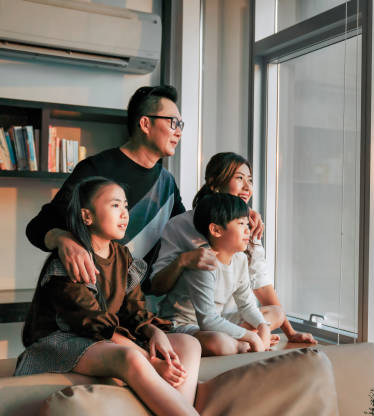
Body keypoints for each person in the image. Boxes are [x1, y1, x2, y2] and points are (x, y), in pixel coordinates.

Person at [15, 177, 201, 416]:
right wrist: (151, 362)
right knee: (132, 357)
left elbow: (133, 309)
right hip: (64, 340)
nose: (124, 213)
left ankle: (178, 409)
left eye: (125, 206)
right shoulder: (72, 260)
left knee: (188, 343)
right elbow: (88, 321)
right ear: (87, 216)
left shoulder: (122, 255)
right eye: (115, 205)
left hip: (103, 338)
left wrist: (154, 332)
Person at [25, 85, 237, 288]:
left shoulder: (167, 182)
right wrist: (63, 239)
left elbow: (190, 228)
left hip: (134, 301)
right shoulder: (97, 167)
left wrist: (239, 212)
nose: (178, 132)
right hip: (86, 295)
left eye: (181, 125)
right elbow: (39, 226)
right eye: (173, 122)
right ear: (145, 124)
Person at [150, 152, 316, 346]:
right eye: (239, 178)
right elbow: (157, 286)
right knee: (218, 339)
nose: (247, 187)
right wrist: (184, 261)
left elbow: (261, 286)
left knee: (276, 314)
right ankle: (240, 341)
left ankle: (240, 340)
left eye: (250, 180)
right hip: (190, 321)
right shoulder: (180, 225)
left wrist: (290, 332)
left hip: (225, 318)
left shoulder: (249, 229)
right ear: (214, 183)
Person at [157, 192, 278, 355]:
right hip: (183, 326)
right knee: (219, 343)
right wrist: (252, 337)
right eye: (241, 223)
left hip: (214, 322)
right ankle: (241, 345)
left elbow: (246, 305)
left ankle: (239, 342)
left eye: (247, 224)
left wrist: (263, 327)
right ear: (216, 230)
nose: (247, 230)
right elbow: (207, 320)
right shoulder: (203, 262)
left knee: (276, 313)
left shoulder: (241, 260)